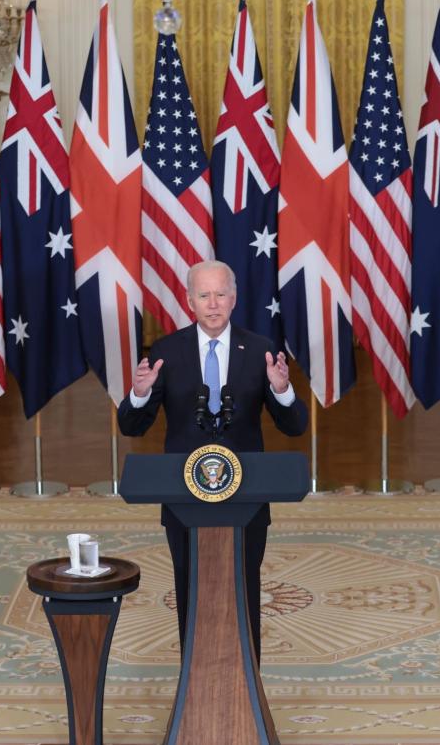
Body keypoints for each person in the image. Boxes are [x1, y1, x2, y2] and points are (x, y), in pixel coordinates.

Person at [117, 260, 308, 663]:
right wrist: (138, 394)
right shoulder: (167, 352)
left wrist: (283, 389)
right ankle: (194, 676)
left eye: (221, 294)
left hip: (248, 498)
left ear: (234, 299)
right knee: (190, 587)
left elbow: (294, 427)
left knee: (243, 586)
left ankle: (247, 682)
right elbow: (132, 426)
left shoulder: (259, 350)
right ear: (189, 301)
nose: (213, 303)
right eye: (204, 295)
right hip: (183, 500)